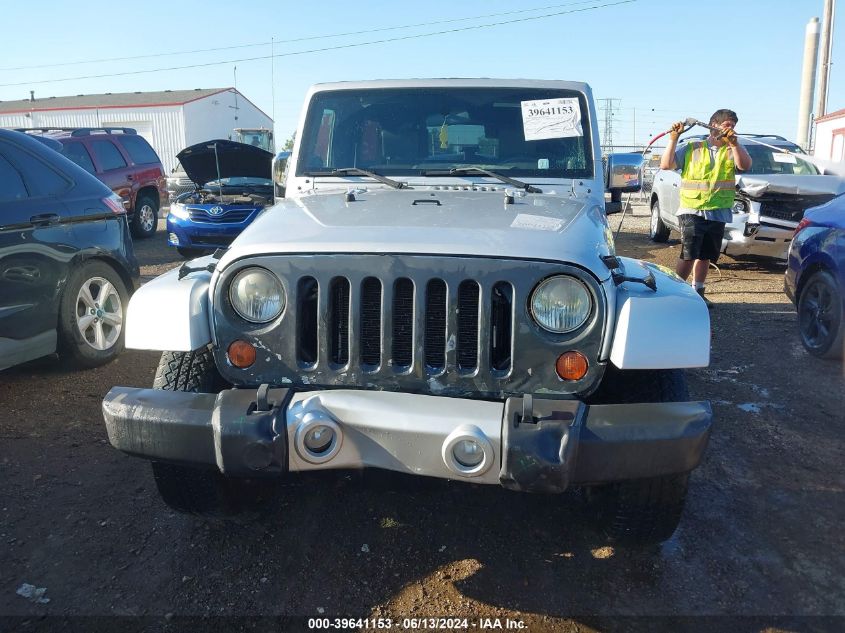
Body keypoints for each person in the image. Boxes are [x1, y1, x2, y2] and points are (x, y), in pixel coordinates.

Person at [660, 109, 752, 307]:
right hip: (693, 208)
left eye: (733, 126)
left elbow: (745, 166)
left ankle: (698, 291)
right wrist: (674, 139)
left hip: (719, 210)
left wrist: (735, 143)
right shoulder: (694, 148)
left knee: (706, 255)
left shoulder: (732, 149)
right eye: (727, 125)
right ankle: (675, 293)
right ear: (713, 124)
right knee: (689, 252)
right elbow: (666, 164)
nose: (730, 130)